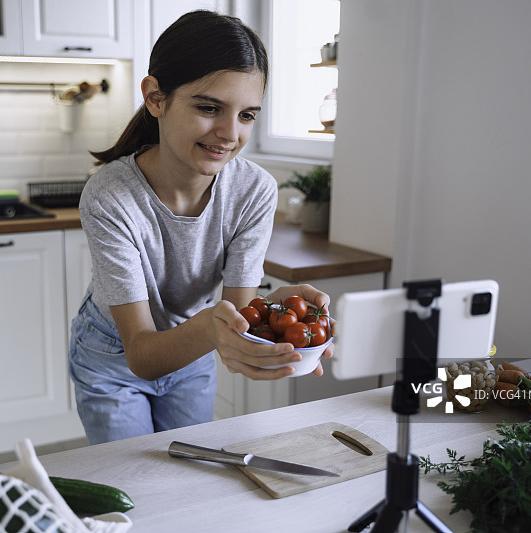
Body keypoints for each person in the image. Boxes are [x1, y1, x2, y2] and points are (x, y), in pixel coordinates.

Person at [69, 10, 334, 445]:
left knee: (190, 467)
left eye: (247, 116)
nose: (229, 133)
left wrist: (275, 310)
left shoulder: (254, 191)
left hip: (192, 350)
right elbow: (142, 355)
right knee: (134, 477)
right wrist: (217, 326)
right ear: (156, 98)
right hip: (113, 355)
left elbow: (237, 316)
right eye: (210, 108)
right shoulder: (111, 195)